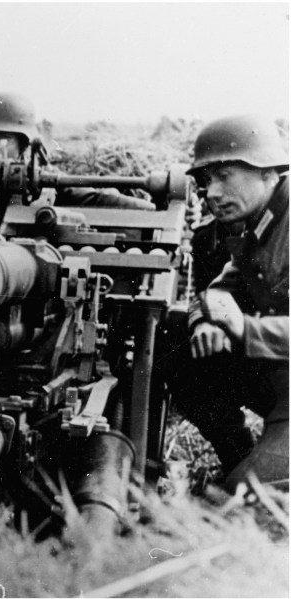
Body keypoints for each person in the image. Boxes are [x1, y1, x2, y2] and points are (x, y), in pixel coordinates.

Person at [178, 114, 288, 492]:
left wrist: (243, 328)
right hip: (280, 382)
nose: (211, 192)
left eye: (224, 175)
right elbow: (216, 289)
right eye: (206, 180)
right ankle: (240, 458)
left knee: (233, 507)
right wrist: (205, 322)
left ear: (267, 171)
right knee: (175, 345)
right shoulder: (261, 224)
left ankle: (248, 477)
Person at [0, 92, 156, 211]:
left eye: (5, 138)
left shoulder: (40, 179)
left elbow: (93, 198)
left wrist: (149, 210)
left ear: (24, 145)